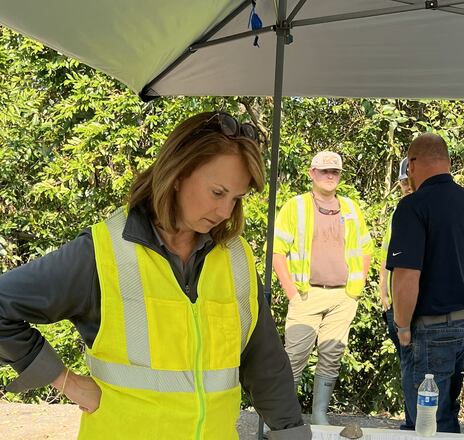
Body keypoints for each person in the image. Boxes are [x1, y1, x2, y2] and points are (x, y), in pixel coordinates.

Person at [0, 111, 310, 439]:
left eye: (236, 199)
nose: (224, 213)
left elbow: (264, 361)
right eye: (217, 192)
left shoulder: (236, 258)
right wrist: (67, 382)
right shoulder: (102, 253)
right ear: (178, 173)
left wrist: (292, 434)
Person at [387, 133, 464, 433]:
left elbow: (406, 275)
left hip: (431, 329)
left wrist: (403, 326)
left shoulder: (413, 207)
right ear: (447, 162)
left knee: (428, 422)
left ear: (414, 164)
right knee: (445, 411)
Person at [272, 151, 373, 426]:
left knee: (332, 356)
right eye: (325, 171)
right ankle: (285, 419)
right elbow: (277, 251)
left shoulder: (351, 208)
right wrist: (291, 292)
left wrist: (358, 284)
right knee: (293, 358)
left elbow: (366, 248)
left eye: (335, 172)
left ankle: (319, 415)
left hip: (343, 296)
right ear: (312, 173)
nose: (330, 176)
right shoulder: (296, 206)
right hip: (307, 294)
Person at [379, 157, 413, 354]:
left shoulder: (426, 212)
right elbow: (386, 253)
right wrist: (383, 291)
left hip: (415, 308)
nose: (407, 186)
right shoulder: (397, 213)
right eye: (403, 182)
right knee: (405, 364)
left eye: (410, 181)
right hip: (394, 305)